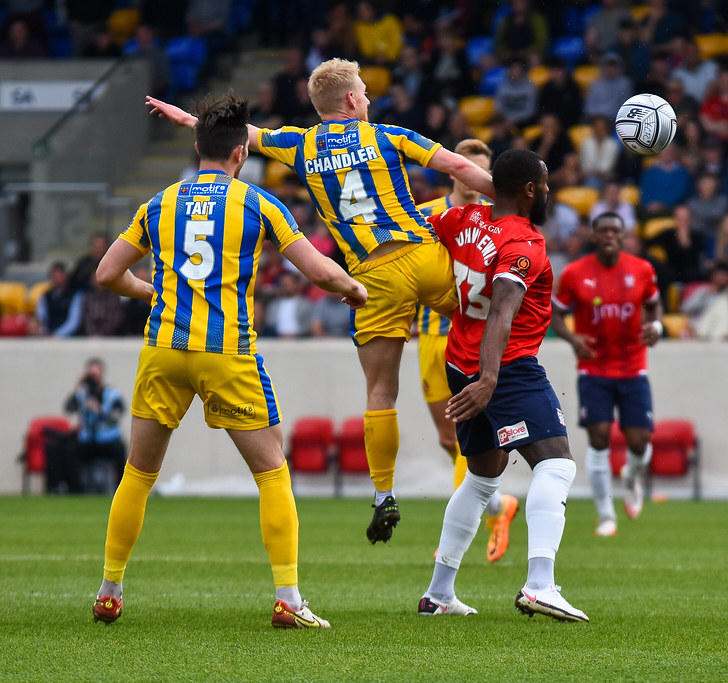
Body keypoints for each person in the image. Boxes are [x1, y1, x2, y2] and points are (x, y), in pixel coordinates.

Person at [146, 59, 495, 545]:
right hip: (423, 255)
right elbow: (458, 167)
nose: (369, 99)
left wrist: (190, 120)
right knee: (493, 326)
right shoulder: (389, 135)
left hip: (374, 277)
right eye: (366, 93)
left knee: (381, 392)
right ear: (352, 100)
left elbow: (243, 135)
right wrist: (514, 202)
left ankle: (383, 495)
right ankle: (511, 408)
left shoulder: (301, 143)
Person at [90, 91, 367, 629]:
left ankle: (109, 589)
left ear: (198, 145)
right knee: (272, 473)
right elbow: (319, 271)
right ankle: (288, 597)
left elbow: (105, 274)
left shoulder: (161, 202)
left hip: (164, 350)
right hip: (226, 354)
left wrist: (154, 293)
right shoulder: (259, 204)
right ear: (243, 153)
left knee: (138, 473)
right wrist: (353, 289)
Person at [416, 149, 587, 622]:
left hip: (457, 360)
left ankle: (438, 594)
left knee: (482, 477)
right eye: (546, 184)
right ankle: (540, 585)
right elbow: (502, 311)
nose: (549, 191)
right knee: (557, 466)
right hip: (504, 368)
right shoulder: (525, 244)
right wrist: (490, 379)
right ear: (530, 190)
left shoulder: (458, 218)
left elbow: (418, 239)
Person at [415, 139, 518, 564]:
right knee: (447, 437)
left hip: (473, 340)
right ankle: (500, 506)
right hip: (430, 336)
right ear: (453, 171)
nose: (477, 180)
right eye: (468, 170)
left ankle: (458, 530)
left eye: (485, 173)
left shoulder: (500, 220)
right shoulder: (426, 215)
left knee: (464, 438)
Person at [550, 212, 662, 538]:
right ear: (594, 236)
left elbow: (655, 306)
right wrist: (572, 338)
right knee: (599, 437)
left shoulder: (642, 270)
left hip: (632, 366)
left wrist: (656, 326)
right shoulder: (574, 273)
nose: (610, 235)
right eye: (604, 231)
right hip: (594, 367)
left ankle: (631, 476)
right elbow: (556, 314)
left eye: (616, 230)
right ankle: (605, 514)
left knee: (639, 441)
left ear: (623, 236)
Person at [65, 358, 126, 493]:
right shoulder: (82, 393)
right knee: (69, 450)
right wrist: (78, 387)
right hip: (87, 441)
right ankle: (75, 491)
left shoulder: (111, 393)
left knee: (120, 451)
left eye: (95, 375)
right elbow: (68, 407)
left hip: (108, 441)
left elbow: (119, 414)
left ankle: (121, 491)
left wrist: (100, 411)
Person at [680, 262, 728, 340]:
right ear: (712, 276)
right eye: (718, 275)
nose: (721, 278)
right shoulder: (703, 292)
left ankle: (718, 335)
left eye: (724, 275)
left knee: (725, 303)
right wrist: (704, 296)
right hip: (702, 332)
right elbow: (684, 310)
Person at [35, 262, 85, 337]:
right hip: (48, 337)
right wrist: (45, 332)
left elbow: (74, 321)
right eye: (54, 275)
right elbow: (41, 318)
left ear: (66, 276)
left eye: (59, 275)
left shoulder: (76, 295)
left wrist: (57, 334)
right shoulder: (45, 296)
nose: (57, 278)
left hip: (69, 338)